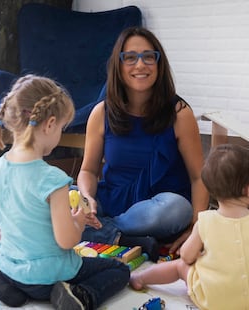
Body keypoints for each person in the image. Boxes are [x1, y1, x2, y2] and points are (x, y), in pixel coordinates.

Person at [0, 75, 130, 309]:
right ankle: (82, 295)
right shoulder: (53, 179)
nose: (59, 134)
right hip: (49, 277)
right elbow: (67, 241)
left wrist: (20, 228)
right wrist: (78, 221)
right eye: (61, 128)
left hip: (12, 267)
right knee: (119, 269)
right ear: (49, 124)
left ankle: (9, 289)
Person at [76, 26, 210, 262]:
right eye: (130, 57)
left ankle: (102, 231)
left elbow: (199, 178)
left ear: (159, 64)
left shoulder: (180, 113)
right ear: (118, 65)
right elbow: (87, 170)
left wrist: (196, 229)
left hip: (158, 210)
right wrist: (87, 198)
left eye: (149, 57)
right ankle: (125, 238)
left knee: (177, 208)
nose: (140, 65)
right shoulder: (101, 113)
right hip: (110, 201)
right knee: (60, 197)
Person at [129, 144, 249, 310]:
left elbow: (187, 257)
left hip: (215, 301)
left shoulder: (205, 221)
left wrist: (198, 254)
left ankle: (140, 278)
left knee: (179, 266)